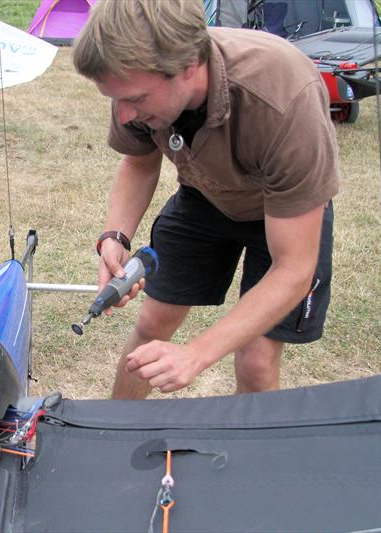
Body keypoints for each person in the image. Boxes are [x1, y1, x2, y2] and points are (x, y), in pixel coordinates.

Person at [72, 0, 339, 397]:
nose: (124, 115)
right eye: (116, 100)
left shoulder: (282, 97)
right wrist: (116, 235)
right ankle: (114, 437)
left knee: (256, 357)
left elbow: (294, 269)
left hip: (280, 211)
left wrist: (196, 354)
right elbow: (139, 162)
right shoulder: (133, 82)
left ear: (188, 67)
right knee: (151, 326)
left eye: (137, 100)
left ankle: (248, 457)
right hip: (203, 197)